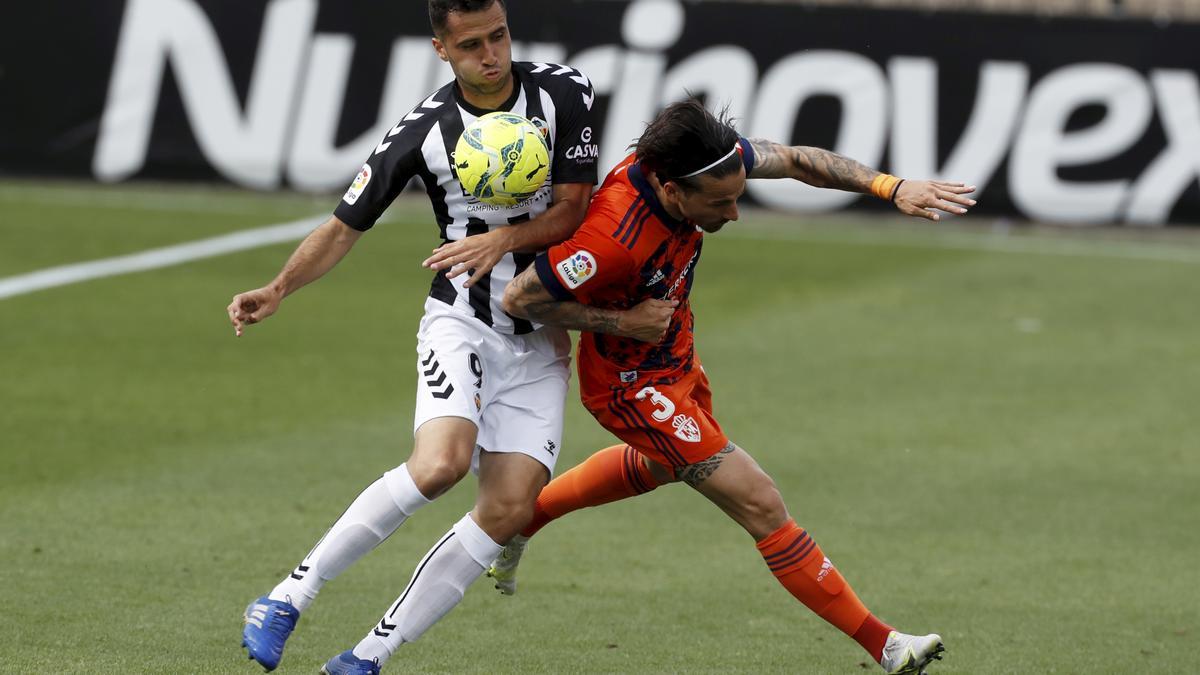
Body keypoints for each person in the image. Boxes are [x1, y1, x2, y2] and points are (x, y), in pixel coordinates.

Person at [228, 2, 641, 673]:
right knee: (440, 464)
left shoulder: (566, 91)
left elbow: (571, 209)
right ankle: (287, 595)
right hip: (462, 319)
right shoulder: (422, 132)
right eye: (472, 43)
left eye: (499, 36)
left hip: (541, 337)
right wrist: (278, 287)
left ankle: (366, 656)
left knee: (508, 508)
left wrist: (503, 237)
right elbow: (343, 225)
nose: (492, 54)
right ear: (441, 49)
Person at [498, 99, 976, 674]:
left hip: (675, 357)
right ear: (672, 192)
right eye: (720, 204)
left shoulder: (711, 165)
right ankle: (887, 645)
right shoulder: (610, 240)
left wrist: (889, 188)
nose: (735, 212)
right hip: (628, 384)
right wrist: (621, 323)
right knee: (760, 501)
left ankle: (522, 519)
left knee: (660, 465)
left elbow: (799, 160)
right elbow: (520, 298)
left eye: (738, 195)